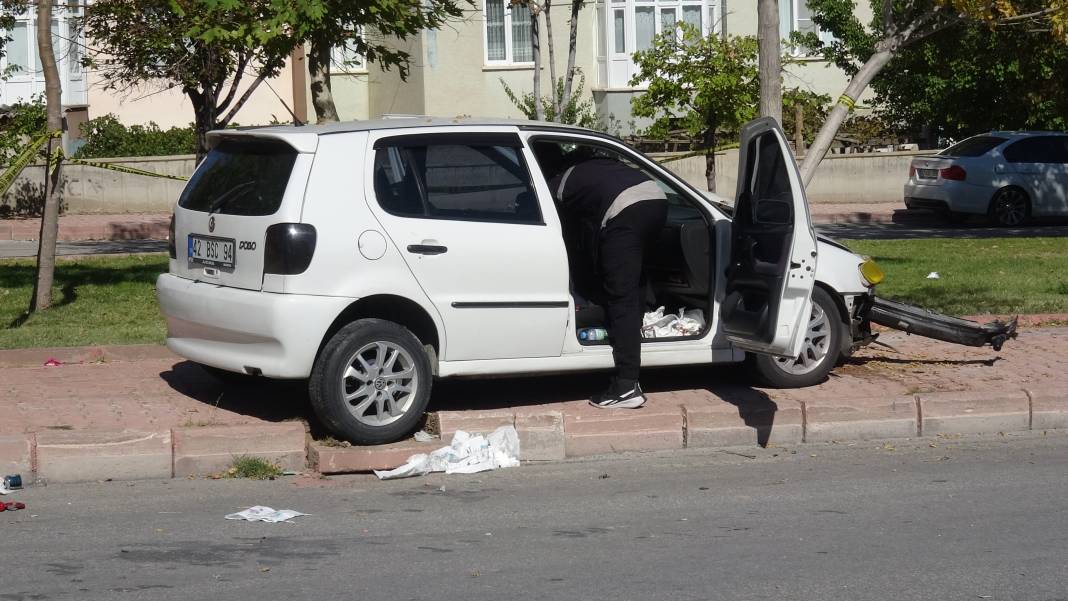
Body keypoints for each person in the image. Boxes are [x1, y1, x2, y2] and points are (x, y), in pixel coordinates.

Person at [534, 142, 669, 409]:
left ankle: (626, 386)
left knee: (621, 295)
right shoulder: (594, 167)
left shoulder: (559, 184)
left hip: (626, 211)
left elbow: (563, 232)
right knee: (635, 283)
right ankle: (635, 330)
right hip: (658, 201)